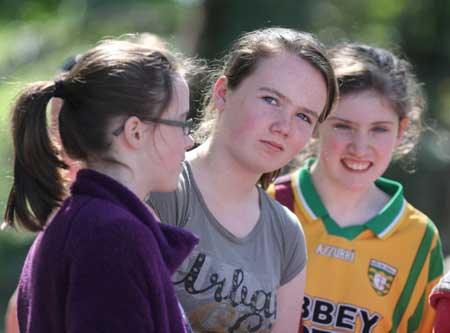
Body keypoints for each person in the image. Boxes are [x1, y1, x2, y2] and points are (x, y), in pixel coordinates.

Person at [147, 27, 338, 333]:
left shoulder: (286, 233)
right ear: (223, 93)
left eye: (304, 117)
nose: (284, 126)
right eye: (271, 100)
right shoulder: (160, 190)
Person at [3, 39, 199, 332]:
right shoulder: (113, 236)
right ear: (135, 132)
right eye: (182, 123)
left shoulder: (89, 222)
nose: (190, 140)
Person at [269, 43, 444, 333]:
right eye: (343, 126)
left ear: (401, 130)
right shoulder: (267, 204)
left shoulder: (420, 239)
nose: (360, 148)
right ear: (316, 123)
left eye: (379, 129)